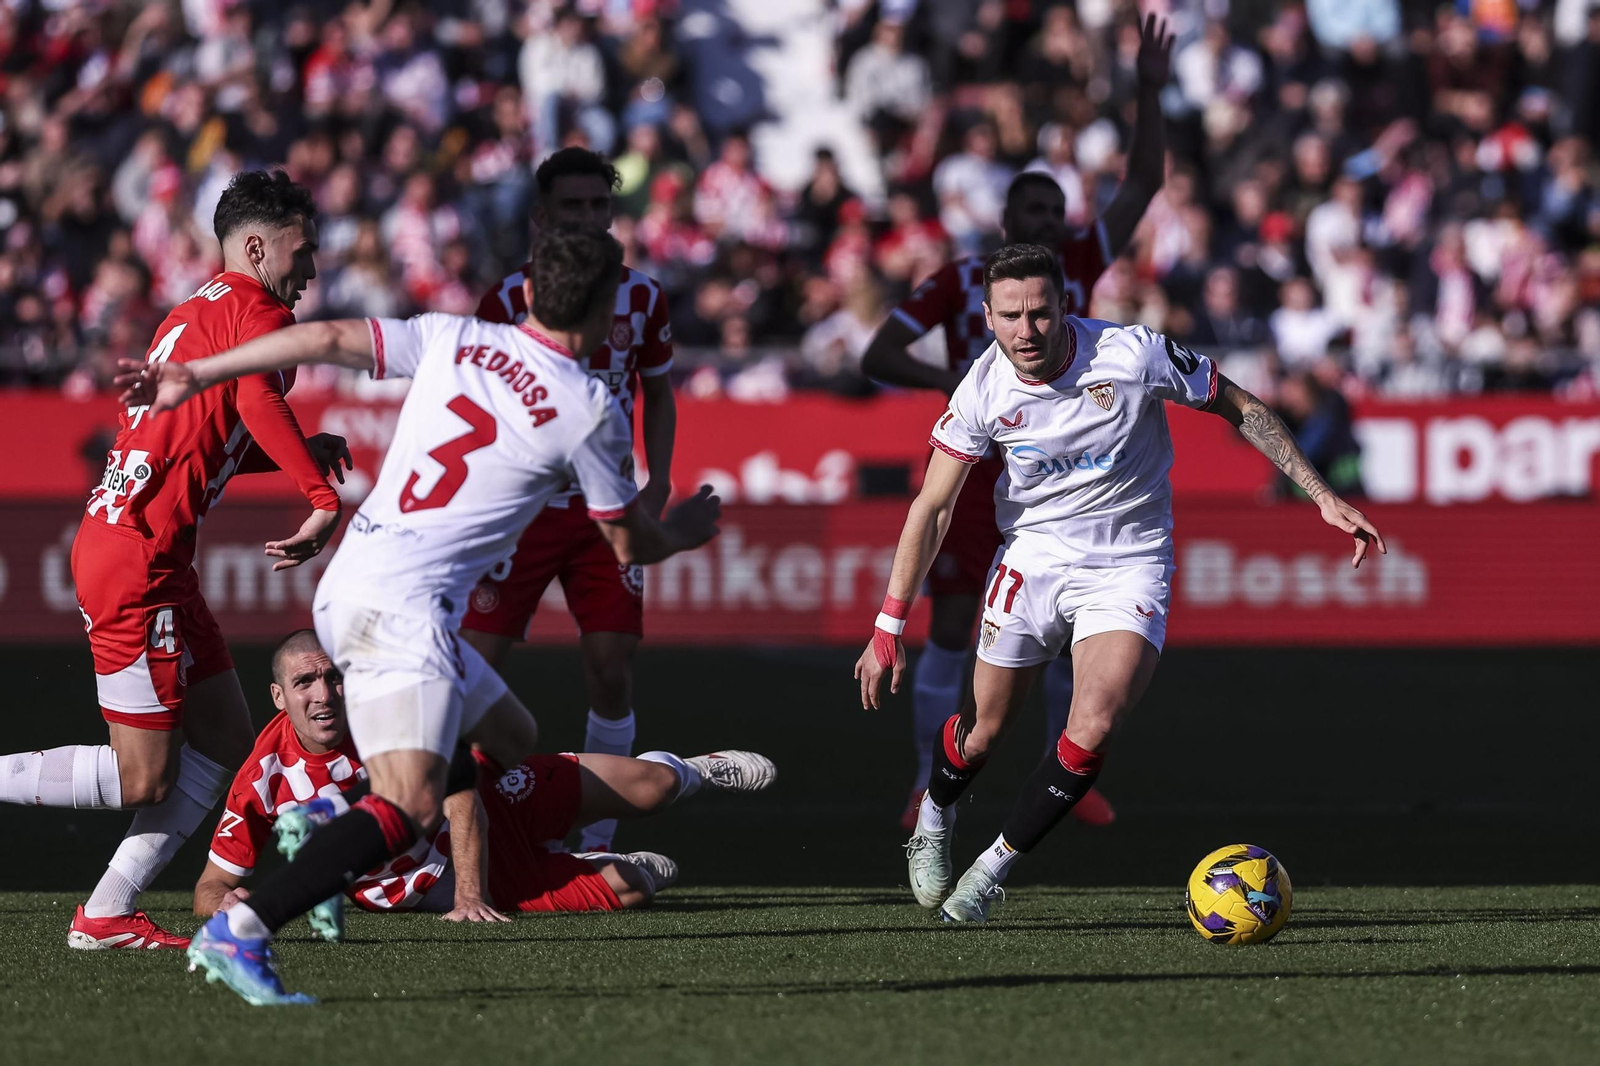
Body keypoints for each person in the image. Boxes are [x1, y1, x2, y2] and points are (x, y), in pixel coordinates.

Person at [116, 224, 722, 1004]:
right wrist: (683, 534)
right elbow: (627, 538)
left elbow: (329, 335)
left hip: (347, 585)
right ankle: (246, 930)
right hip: (404, 614)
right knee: (410, 804)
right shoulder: (590, 406)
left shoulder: (457, 337)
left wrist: (194, 373)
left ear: (529, 296)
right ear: (608, 314)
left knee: (511, 735)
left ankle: (344, 811)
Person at [855, 244, 1383, 922]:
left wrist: (1317, 493)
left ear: (1064, 307)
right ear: (987, 317)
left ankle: (990, 873)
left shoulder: (1132, 354)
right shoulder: (982, 389)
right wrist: (888, 625)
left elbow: (1239, 404)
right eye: (1010, 315)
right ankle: (935, 815)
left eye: (1040, 312)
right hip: (1033, 560)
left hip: (1129, 562)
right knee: (983, 733)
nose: (1027, 330)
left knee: (1094, 723)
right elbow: (931, 507)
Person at [0, 171, 349, 950]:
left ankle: (105, 913)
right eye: (304, 250)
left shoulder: (193, 314)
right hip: (136, 558)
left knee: (227, 735)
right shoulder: (255, 313)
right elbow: (259, 399)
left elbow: (196, 442)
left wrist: (288, 458)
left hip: (153, 555)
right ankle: (100, 912)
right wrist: (319, 494)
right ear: (257, 248)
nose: (314, 269)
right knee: (143, 777)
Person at [859, 14, 1174, 833]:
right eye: (1029, 210)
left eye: (1053, 210)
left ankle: (1068, 771)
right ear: (1006, 220)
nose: (1042, 223)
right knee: (960, 623)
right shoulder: (961, 280)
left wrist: (1146, 88)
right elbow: (876, 353)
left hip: (1077, 454)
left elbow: (1140, 185)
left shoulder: (1075, 268)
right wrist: (951, 384)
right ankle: (926, 782)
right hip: (985, 457)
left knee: (1079, 627)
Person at [193, 630, 775, 922]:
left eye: (333, 677)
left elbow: (461, 789)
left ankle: (696, 771)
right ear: (278, 698)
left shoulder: (386, 714)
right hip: (433, 882)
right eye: (304, 684)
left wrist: (472, 897)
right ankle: (631, 866)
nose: (324, 695)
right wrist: (226, 905)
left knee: (654, 789)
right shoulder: (264, 778)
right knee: (633, 886)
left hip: (490, 803)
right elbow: (209, 885)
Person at [464, 147, 676, 853]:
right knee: (477, 672)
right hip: (520, 515)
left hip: (603, 514)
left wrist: (663, 478)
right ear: (541, 219)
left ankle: (600, 835)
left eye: (598, 207)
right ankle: (479, 824)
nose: (588, 219)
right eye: (573, 207)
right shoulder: (503, 300)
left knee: (611, 667)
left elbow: (660, 390)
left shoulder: (641, 297)